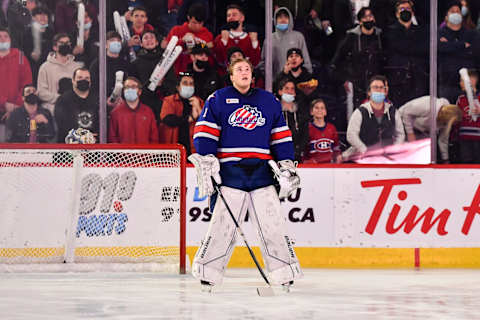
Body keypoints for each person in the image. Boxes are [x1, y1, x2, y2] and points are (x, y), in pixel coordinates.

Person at [189, 58, 303, 291]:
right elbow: (204, 132)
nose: (244, 72)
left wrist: (286, 164)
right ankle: (207, 272)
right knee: (223, 223)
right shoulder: (218, 99)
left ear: (253, 76)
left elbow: (281, 135)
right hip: (231, 171)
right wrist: (208, 159)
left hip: (262, 171)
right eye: (239, 69)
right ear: (231, 76)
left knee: (272, 222)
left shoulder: (269, 100)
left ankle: (284, 273)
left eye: (248, 69)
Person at [330, 6, 386, 110]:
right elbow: (337, 60)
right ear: (360, 21)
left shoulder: (380, 36)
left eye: (370, 16)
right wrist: (344, 80)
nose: (368, 19)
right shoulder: (351, 37)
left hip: (375, 83)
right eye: (365, 17)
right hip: (355, 83)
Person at [343, 75, 405, 159]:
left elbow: (400, 135)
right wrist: (364, 150)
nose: (379, 90)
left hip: (387, 158)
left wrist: (393, 150)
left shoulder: (393, 112)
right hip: (363, 158)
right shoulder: (360, 112)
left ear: (385, 92)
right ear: (369, 92)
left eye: (381, 88)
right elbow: (351, 135)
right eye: (375, 87)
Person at [383, 0, 429, 107]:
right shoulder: (389, 31)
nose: (405, 11)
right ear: (396, 14)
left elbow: (424, 49)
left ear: (412, 13)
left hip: (418, 77)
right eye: (402, 9)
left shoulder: (421, 31)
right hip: (398, 78)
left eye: (408, 9)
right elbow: (399, 47)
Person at [438, 1, 477, 104]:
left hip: (469, 84)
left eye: (458, 11)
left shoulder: (472, 34)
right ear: (446, 16)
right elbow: (440, 48)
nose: (456, 13)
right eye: (452, 11)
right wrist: (462, 45)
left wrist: (449, 46)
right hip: (447, 85)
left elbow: (473, 52)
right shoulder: (439, 33)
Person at [398, 96, 456, 163]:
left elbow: (443, 140)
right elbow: (406, 112)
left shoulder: (446, 122)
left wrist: (445, 159)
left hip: (421, 131)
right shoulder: (429, 105)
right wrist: (410, 133)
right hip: (403, 123)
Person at [258, 7, 312, 78]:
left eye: (286, 17)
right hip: (276, 82)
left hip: (296, 80)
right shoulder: (270, 38)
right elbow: (263, 63)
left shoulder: (298, 36)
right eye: (280, 17)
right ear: (275, 20)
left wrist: (307, 75)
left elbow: (306, 59)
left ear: (290, 20)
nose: (283, 20)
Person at [37, 33, 84, 114]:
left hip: (73, 110)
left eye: (67, 43)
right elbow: (41, 92)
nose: (65, 45)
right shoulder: (45, 67)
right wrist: (61, 98)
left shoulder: (77, 67)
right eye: (62, 43)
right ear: (54, 47)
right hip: (52, 110)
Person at [0, 27, 33, 142]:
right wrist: (4, 103)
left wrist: (15, 106)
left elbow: (27, 85)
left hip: (18, 107)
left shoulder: (20, 57)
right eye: (0, 37)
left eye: (5, 36)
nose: (3, 39)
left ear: (10, 39)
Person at [159, 72, 203, 155]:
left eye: (191, 84)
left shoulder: (199, 101)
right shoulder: (169, 100)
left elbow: (207, 123)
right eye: (185, 83)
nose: (188, 86)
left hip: (194, 150)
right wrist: (189, 118)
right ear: (178, 87)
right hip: (174, 149)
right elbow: (167, 119)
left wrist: (198, 107)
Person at [163, 2, 213, 74]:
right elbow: (166, 50)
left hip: (198, 74)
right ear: (188, 18)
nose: (197, 26)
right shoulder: (177, 30)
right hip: (177, 72)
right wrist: (182, 40)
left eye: (200, 23)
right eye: (194, 22)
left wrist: (201, 45)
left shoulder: (207, 34)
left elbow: (210, 55)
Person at [108, 76, 159, 144]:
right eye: (127, 87)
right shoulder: (115, 113)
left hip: (145, 154)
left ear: (140, 91)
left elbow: (154, 139)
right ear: (123, 91)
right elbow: (112, 139)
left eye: (133, 87)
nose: (129, 89)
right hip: (123, 154)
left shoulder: (148, 112)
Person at [54, 67, 98, 143]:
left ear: (90, 82)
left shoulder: (97, 100)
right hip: (69, 147)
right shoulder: (63, 100)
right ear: (73, 81)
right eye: (80, 77)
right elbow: (63, 127)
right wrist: (83, 137)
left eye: (87, 78)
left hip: (93, 147)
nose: (83, 80)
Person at [213, 4, 261, 69]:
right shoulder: (219, 38)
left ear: (242, 18)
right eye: (228, 15)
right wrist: (223, 42)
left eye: (234, 15)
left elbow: (255, 62)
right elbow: (219, 60)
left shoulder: (250, 38)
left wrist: (254, 43)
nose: (231, 18)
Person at [276, 78, 309, 161]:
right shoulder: (274, 113)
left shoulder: (301, 113)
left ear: (294, 93)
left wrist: (298, 151)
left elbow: (305, 135)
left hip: (297, 157)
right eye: (286, 88)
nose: (290, 91)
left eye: (292, 89)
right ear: (280, 92)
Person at [22, 6, 55, 83]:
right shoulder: (28, 33)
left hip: (49, 66)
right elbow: (25, 49)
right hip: (33, 67)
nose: (43, 17)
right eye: (39, 14)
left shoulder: (51, 32)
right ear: (33, 17)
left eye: (45, 15)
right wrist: (31, 54)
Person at [303, 98, 341, 164]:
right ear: (311, 112)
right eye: (317, 108)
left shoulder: (331, 128)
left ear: (325, 112)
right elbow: (303, 150)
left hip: (329, 166)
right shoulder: (307, 128)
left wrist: (338, 156)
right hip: (312, 167)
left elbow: (336, 148)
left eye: (322, 108)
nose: (319, 110)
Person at [456, 69, 480, 163]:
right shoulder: (460, 99)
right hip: (464, 139)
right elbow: (457, 120)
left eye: (462, 80)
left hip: (478, 139)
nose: (460, 83)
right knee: (466, 164)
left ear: (472, 81)